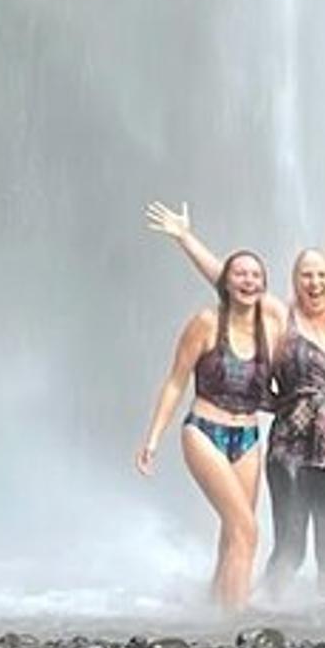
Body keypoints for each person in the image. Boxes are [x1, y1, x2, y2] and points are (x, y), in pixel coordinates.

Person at [146, 203, 325, 599]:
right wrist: (186, 239)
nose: (314, 283)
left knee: (263, 540)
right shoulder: (280, 317)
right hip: (269, 443)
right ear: (295, 282)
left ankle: (230, 611)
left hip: (314, 447)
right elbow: (231, 283)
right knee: (265, 538)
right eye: (306, 276)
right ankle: (241, 619)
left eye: (322, 275)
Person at [135, 246, 280, 612]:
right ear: (225, 282)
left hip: (248, 436)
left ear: (264, 283)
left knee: (234, 530)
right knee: (248, 531)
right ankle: (234, 623)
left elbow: (279, 386)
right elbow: (175, 382)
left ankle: (217, 608)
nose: (248, 281)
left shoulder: (272, 327)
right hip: (204, 430)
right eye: (240, 274)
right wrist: (152, 439)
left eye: (255, 275)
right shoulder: (206, 323)